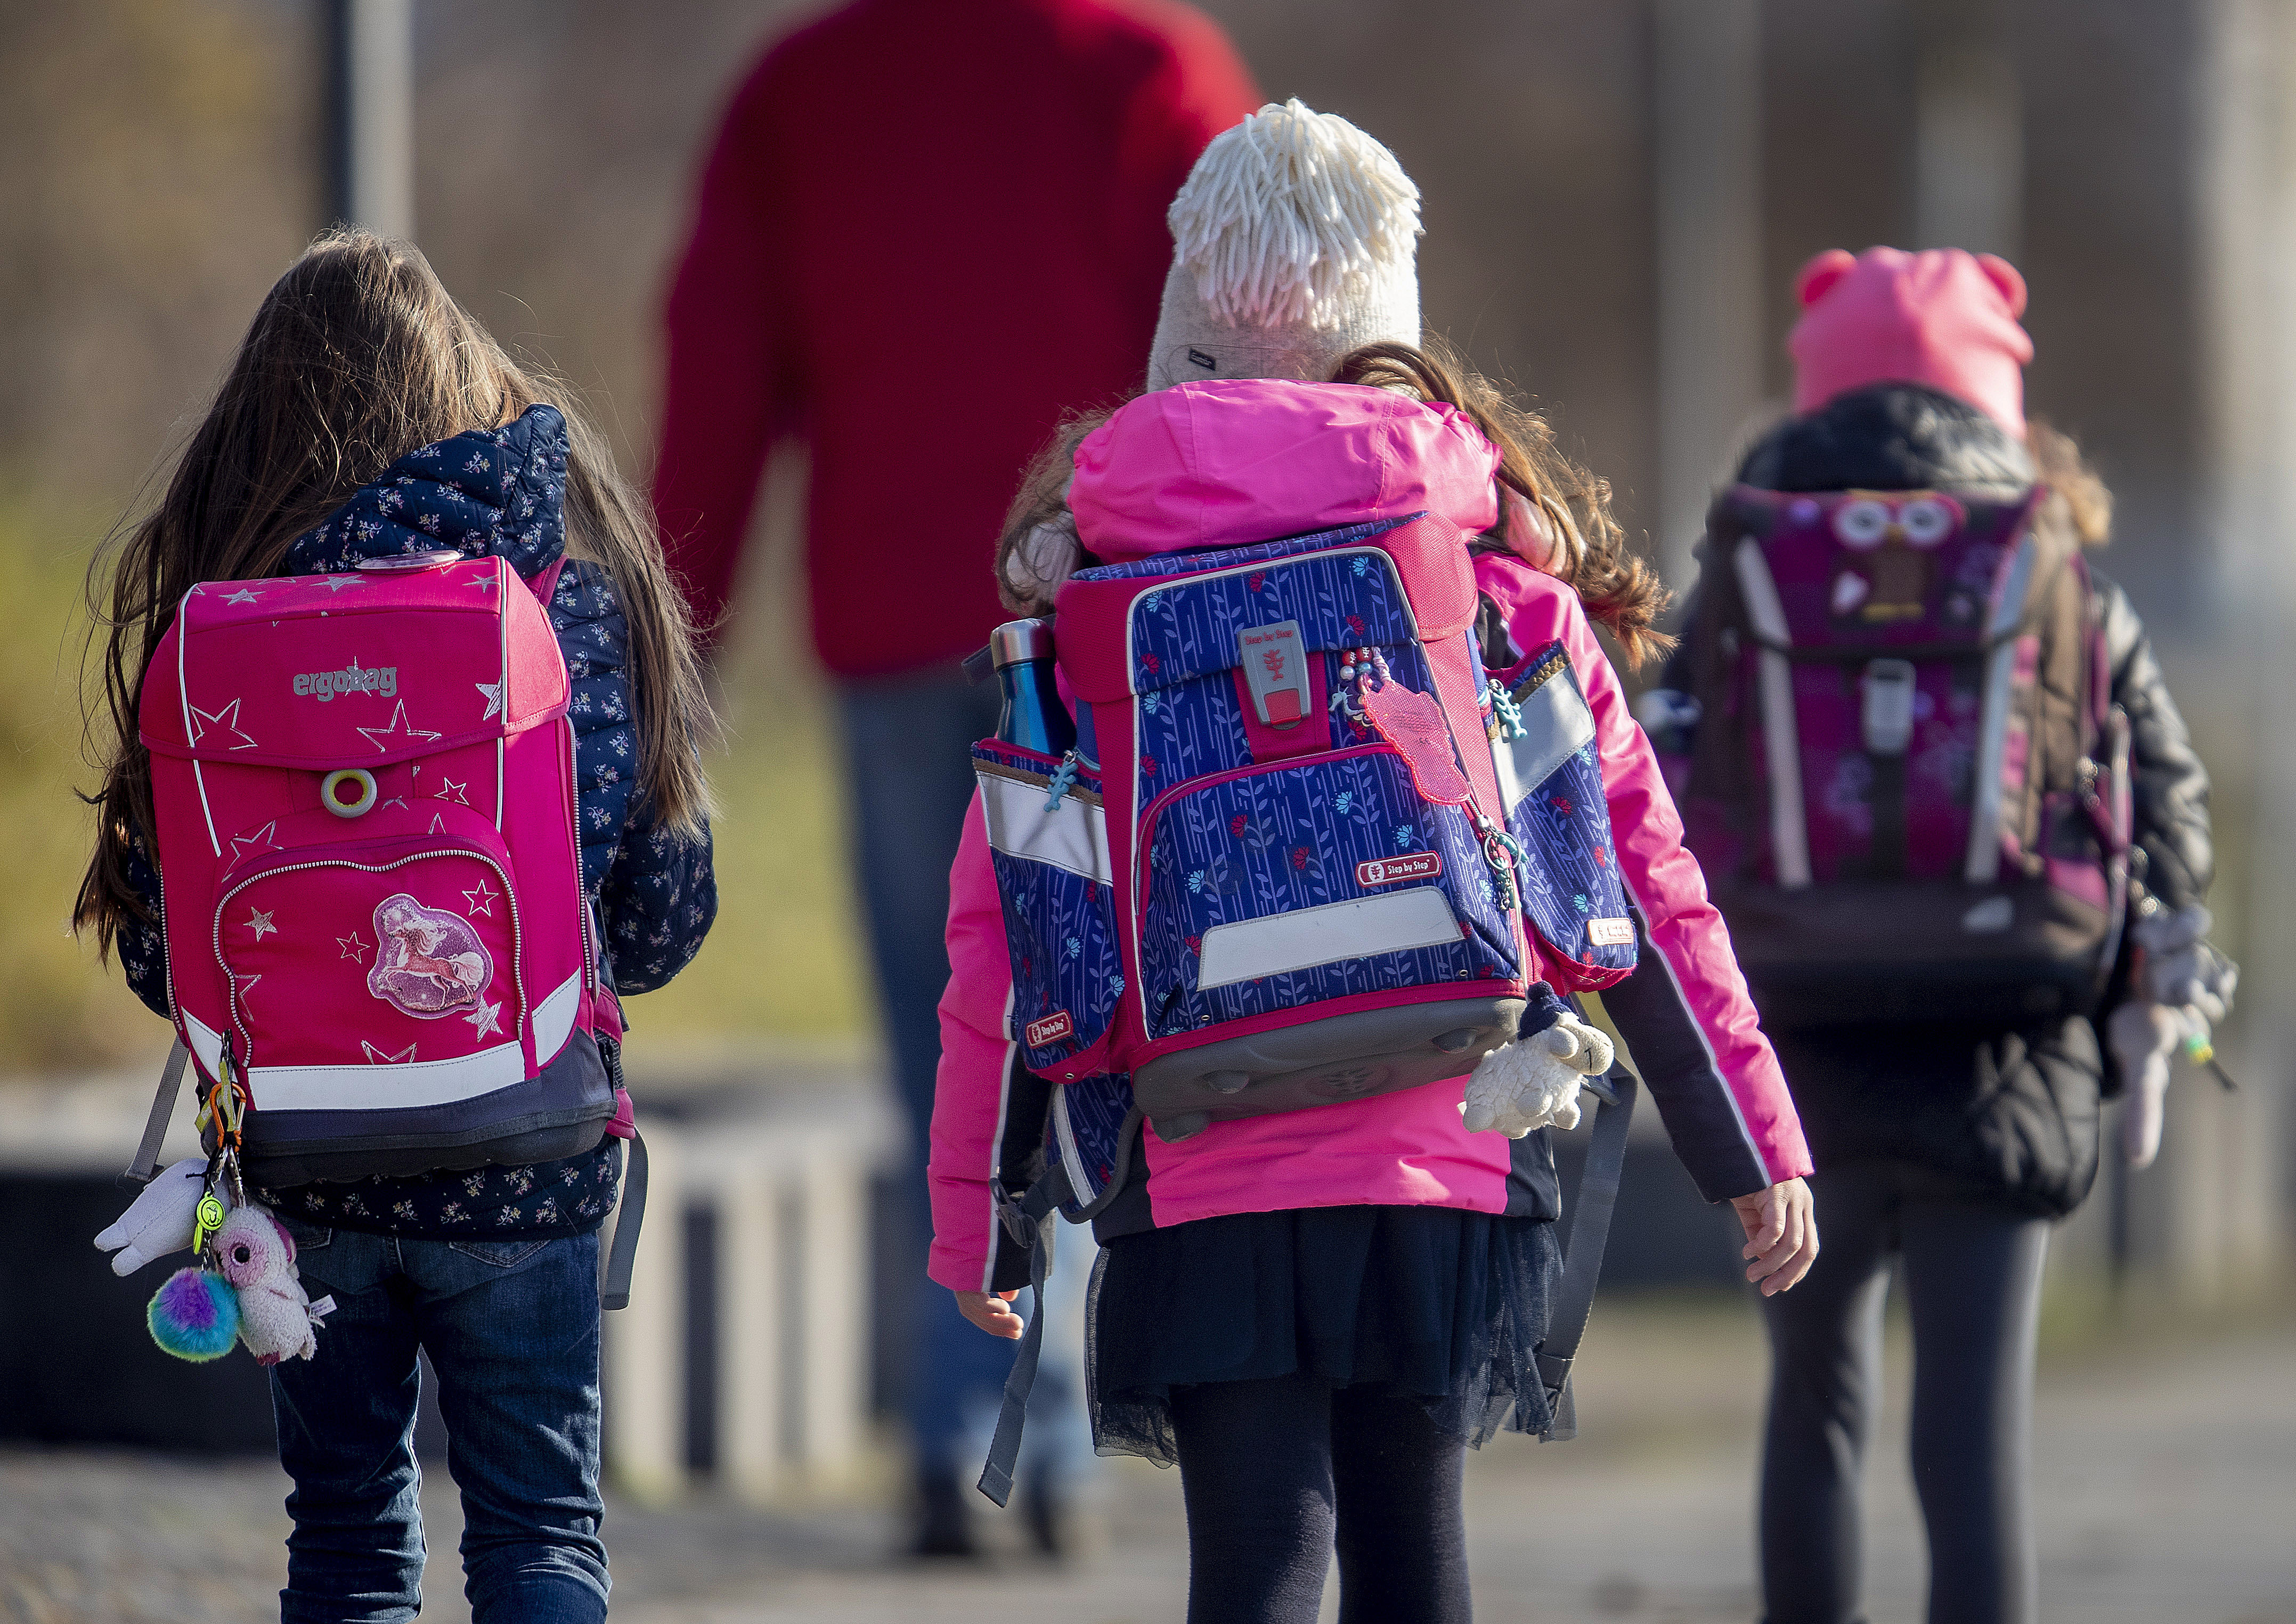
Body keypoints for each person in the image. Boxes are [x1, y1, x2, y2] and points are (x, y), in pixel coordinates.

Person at [932, 102, 1818, 1624]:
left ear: (1181, 339)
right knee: (1416, 1562)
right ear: (1386, 337)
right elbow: (1643, 888)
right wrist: (1749, 1141)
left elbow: (1004, 937)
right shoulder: (1488, 596)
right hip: (1438, 1140)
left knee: (1257, 1561)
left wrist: (984, 1210)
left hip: (1196, 1151)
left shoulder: (1085, 613)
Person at [649, 0, 1260, 1556]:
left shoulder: (804, 83)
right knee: (1120, 1015)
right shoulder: (1145, 64)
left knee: (960, 1028)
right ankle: (1042, 1430)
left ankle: (982, 1421)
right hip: (1121, 624)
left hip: (902, 627)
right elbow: (1246, 333)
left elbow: (720, 366)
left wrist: (674, 641)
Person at [76, 230, 717, 1623]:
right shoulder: (563, 608)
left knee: (351, 1540)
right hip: (527, 1149)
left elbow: (164, 956)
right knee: (542, 1532)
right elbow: (663, 920)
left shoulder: (213, 625)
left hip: (302, 1176)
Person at [1655, 246, 2225, 1624]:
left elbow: (1657, 781)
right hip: (2011, 1038)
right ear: (1999, 397)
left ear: (1814, 387)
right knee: (1975, 1444)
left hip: (1795, 1044)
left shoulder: (1749, 557)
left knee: (1816, 1405)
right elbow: (2171, 808)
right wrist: (2163, 1004)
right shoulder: (2058, 569)